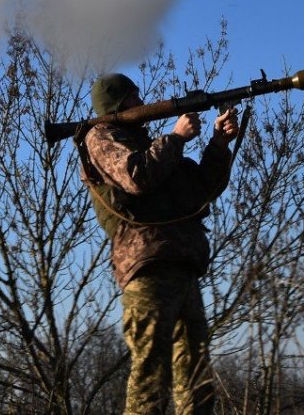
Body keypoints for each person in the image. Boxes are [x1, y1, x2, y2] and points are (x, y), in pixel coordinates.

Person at [78, 73, 239, 414]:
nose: (142, 104)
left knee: (196, 379)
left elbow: (200, 191)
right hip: (147, 272)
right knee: (151, 377)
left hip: (184, 268)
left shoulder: (150, 146)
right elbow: (136, 178)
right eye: (134, 99)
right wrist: (175, 138)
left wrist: (218, 144)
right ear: (118, 105)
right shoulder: (101, 138)